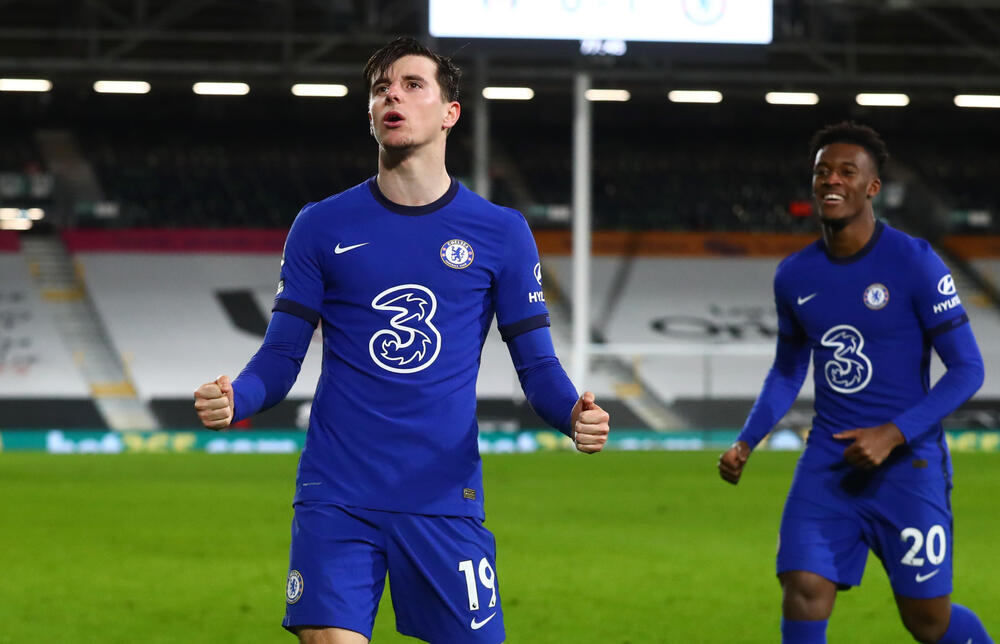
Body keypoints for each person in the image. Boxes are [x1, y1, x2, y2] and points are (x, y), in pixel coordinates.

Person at [193, 37, 610, 644]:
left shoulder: (501, 232)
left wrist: (573, 414)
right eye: (381, 88)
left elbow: (538, 367)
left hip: (443, 495)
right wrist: (240, 397)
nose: (393, 95)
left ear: (449, 112)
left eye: (413, 85)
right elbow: (281, 356)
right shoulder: (320, 225)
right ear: (369, 112)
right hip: (338, 491)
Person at [718, 122, 993, 644]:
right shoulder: (794, 276)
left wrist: (892, 433)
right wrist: (747, 440)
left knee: (928, 622)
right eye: (822, 171)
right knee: (803, 587)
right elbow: (787, 370)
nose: (831, 180)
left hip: (908, 465)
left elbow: (968, 369)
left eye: (847, 171)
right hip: (829, 463)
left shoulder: (914, 261)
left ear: (873, 187)